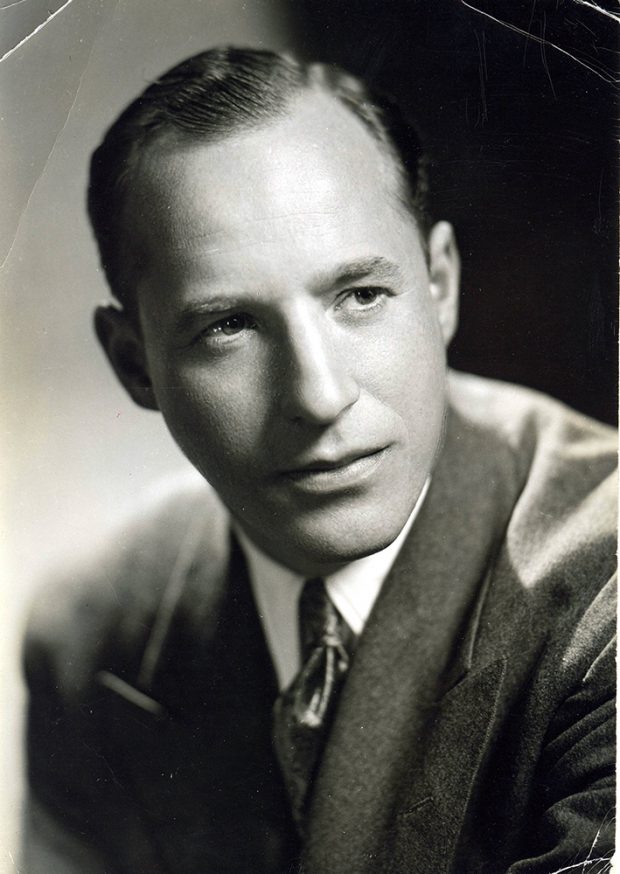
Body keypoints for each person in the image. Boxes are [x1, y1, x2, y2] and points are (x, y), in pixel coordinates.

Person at [21, 47, 616, 874]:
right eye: (228, 325)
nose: (319, 393)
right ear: (134, 363)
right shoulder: (92, 630)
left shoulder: (606, 598)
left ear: (440, 285)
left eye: (361, 296)